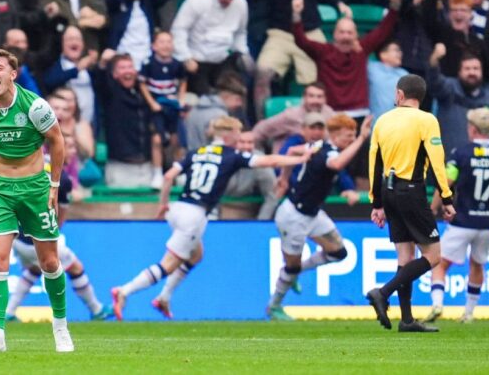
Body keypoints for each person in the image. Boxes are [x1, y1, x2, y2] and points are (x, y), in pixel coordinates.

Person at [111, 116, 307, 320]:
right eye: (237, 133)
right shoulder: (232, 155)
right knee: (167, 265)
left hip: (178, 208)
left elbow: (169, 176)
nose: (240, 138)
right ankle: (124, 291)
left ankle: (164, 297)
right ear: (228, 134)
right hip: (194, 215)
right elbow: (269, 160)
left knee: (196, 255)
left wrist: (163, 204)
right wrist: (299, 159)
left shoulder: (196, 152)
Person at [0, 49, 73, 353]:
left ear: (13, 74)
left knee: (49, 262)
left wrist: (54, 184)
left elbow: (57, 140)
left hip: (35, 186)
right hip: (0, 188)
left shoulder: (35, 106)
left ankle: (60, 327)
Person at [366, 74, 455, 333]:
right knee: (433, 256)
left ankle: (406, 320)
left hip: (388, 190)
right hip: (411, 190)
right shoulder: (426, 120)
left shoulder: (382, 121)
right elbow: (437, 161)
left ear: (399, 95)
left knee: (406, 258)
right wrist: (446, 198)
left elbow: (375, 162)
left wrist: (377, 203)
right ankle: (383, 292)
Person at [267, 114, 369, 320]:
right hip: (293, 215)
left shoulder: (316, 146)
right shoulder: (327, 152)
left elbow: (292, 151)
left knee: (339, 252)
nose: (351, 139)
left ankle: (293, 273)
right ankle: (274, 306)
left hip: (313, 214)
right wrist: (361, 138)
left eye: (353, 135)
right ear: (335, 135)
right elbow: (337, 164)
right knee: (291, 266)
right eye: (348, 136)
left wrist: (285, 178)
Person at [424, 107, 489, 324]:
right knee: (477, 265)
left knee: (440, 264)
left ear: (473, 129)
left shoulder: (461, 154)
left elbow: (445, 183)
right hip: (488, 223)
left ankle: (438, 304)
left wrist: (433, 208)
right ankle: (468, 313)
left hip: (462, 220)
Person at [6, 166, 114, 321]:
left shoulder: (31, 166)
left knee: (35, 269)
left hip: (17, 235)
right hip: (36, 237)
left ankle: (9, 312)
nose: (72, 150)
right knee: (75, 267)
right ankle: (96, 310)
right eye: (68, 146)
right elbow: (60, 218)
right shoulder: (63, 180)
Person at [171, 0, 250, 96]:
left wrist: (242, 52)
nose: (229, 0)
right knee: (206, 97)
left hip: (223, 59)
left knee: (234, 92)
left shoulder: (241, 3)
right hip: (197, 61)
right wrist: (186, 57)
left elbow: (240, 33)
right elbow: (179, 30)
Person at [139, 30, 187, 188]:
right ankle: (158, 173)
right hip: (157, 108)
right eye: (161, 42)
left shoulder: (177, 64)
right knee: (157, 139)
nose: (165, 45)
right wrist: (152, 103)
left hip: (172, 108)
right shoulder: (148, 63)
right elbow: (142, 84)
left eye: (169, 42)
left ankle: (178, 171)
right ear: (154, 46)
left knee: (177, 139)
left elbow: (183, 82)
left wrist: (180, 100)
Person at [99, 52, 154, 187]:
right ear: (114, 74)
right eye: (122, 68)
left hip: (145, 167)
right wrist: (103, 63)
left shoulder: (142, 93)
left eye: (130, 67)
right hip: (120, 167)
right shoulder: (111, 93)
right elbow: (100, 79)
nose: (127, 71)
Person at [428, 46, 489, 153]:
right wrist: (434, 60)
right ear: (459, 72)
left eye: (476, 69)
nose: (472, 72)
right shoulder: (449, 87)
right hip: (447, 157)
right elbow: (434, 82)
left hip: (476, 160)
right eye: (467, 69)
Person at [252, 81, 334, 153]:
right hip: (289, 160)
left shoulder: (329, 114)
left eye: (319, 97)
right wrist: (258, 154)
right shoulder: (291, 115)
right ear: (304, 98)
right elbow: (260, 130)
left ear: (325, 99)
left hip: (318, 159)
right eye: (311, 96)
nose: (315, 100)